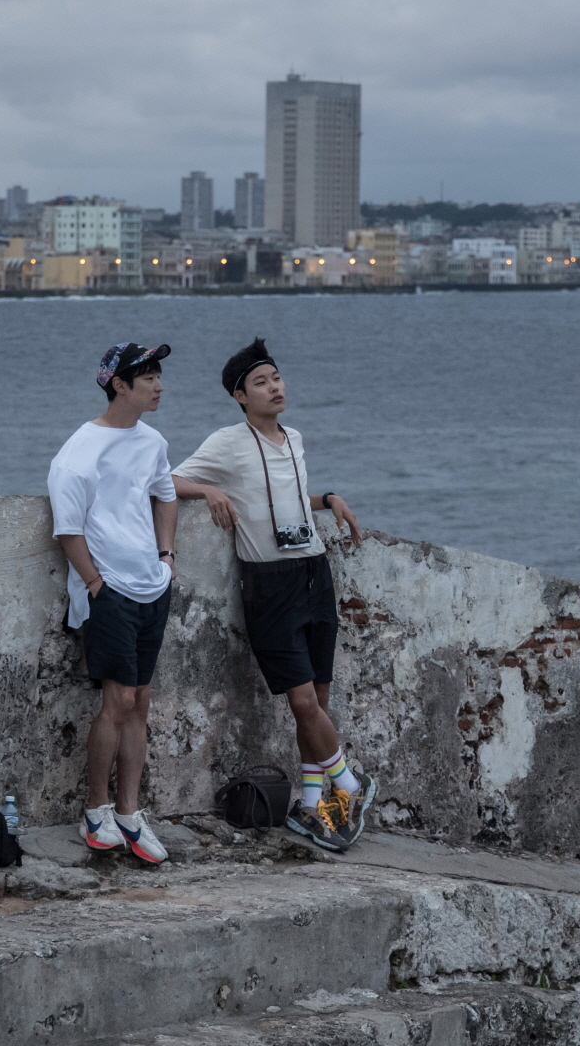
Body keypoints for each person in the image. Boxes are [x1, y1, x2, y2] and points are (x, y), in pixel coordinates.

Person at [172, 337, 376, 851]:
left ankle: (311, 807)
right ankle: (350, 784)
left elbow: (282, 499)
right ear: (240, 395)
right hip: (268, 582)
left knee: (319, 698)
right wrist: (209, 490)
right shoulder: (227, 442)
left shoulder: (295, 439)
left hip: (313, 572)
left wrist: (326, 499)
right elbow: (169, 480)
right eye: (261, 382)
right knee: (303, 699)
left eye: (277, 378)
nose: (274, 387)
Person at [48, 342, 178, 863]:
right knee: (117, 702)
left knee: (141, 701)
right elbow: (68, 529)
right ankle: (95, 809)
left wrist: (166, 557)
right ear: (118, 384)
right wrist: (95, 584)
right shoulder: (80, 452)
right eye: (146, 376)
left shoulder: (152, 442)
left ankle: (129, 812)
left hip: (152, 585)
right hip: (112, 592)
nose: (159, 384)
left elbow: (165, 493)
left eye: (158, 374)